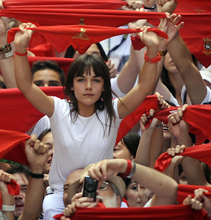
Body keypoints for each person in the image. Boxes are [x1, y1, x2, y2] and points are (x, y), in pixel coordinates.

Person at [14, 21, 161, 219]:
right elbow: (25, 86)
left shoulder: (113, 111)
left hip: (104, 193)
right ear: (71, 85)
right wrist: (21, 49)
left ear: (104, 86)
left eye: (96, 80)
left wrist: (152, 50)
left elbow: (144, 87)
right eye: (81, 80)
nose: (89, 86)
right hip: (60, 196)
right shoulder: (58, 108)